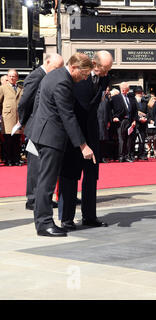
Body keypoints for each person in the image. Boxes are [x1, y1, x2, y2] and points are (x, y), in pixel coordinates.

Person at [29, 52, 95, 237]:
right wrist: (83, 145)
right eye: (83, 74)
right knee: (47, 182)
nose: (84, 78)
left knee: (45, 180)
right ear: (73, 67)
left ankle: (43, 220)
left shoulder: (54, 75)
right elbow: (67, 115)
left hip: (43, 133)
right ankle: (44, 223)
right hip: (51, 137)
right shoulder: (62, 82)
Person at [58, 50, 113, 231]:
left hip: (92, 133)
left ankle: (89, 216)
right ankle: (66, 218)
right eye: (105, 69)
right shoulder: (78, 77)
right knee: (70, 176)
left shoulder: (104, 78)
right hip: (74, 135)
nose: (107, 73)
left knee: (91, 177)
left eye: (109, 69)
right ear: (95, 64)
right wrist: (78, 140)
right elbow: (70, 111)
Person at [18, 53, 64, 211]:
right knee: (35, 165)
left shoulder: (48, 76)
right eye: (56, 68)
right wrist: (23, 122)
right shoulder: (36, 76)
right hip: (35, 125)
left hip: (42, 125)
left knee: (44, 166)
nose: (58, 71)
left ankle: (43, 198)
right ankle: (32, 199)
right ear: (48, 61)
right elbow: (24, 102)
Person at [0, 69, 23, 166]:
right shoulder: (3, 88)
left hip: (18, 118)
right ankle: (8, 160)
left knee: (17, 140)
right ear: (7, 77)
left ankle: (16, 159)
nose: (12, 78)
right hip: (8, 117)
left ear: (17, 77)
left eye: (14, 76)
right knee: (8, 139)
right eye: (10, 76)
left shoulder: (21, 88)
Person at [111, 82, 138, 162]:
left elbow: (135, 110)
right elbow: (110, 109)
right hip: (121, 121)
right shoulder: (115, 98)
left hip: (130, 121)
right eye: (122, 88)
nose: (123, 90)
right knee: (121, 139)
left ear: (128, 90)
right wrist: (114, 117)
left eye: (125, 88)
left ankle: (127, 155)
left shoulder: (131, 98)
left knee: (129, 139)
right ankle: (121, 156)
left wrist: (134, 120)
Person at [134, 86, 150, 161]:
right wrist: (139, 118)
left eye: (141, 93)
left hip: (143, 124)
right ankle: (131, 154)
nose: (140, 94)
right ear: (135, 94)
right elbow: (132, 112)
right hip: (135, 124)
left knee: (142, 140)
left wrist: (145, 118)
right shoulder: (132, 101)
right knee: (132, 140)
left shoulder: (144, 102)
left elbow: (147, 112)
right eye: (138, 93)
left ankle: (141, 154)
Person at [97, 86, 112, 163]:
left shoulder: (105, 100)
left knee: (102, 141)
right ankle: (101, 157)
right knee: (101, 141)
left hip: (102, 123)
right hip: (100, 123)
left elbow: (107, 112)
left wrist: (108, 121)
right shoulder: (103, 100)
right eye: (106, 90)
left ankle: (101, 157)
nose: (107, 92)